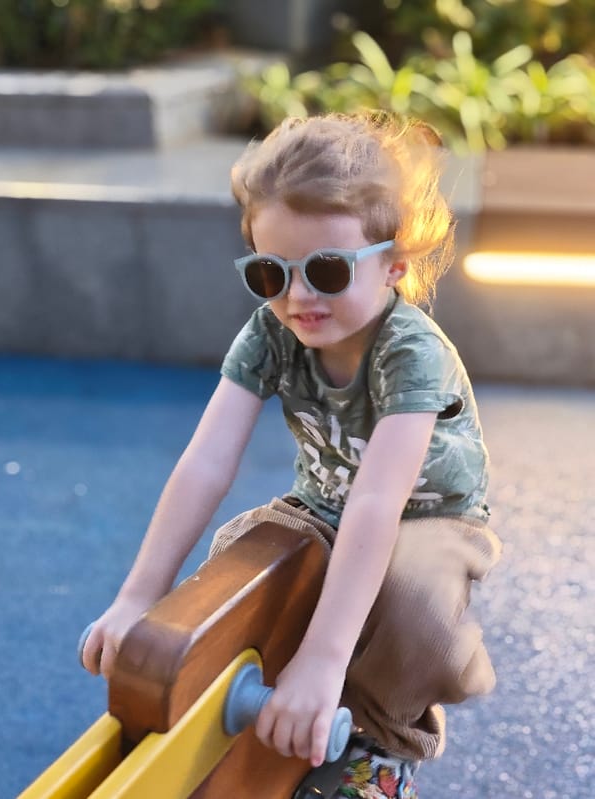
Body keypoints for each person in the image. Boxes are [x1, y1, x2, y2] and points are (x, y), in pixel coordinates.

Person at [82, 112, 502, 798]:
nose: (298, 295)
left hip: (428, 520)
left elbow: (377, 501)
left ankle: (381, 748)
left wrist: (326, 658)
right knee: (243, 546)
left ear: (393, 265)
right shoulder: (271, 332)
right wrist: (138, 594)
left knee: (415, 596)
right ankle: (272, 693)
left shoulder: (410, 351)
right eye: (270, 273)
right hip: (323, 502)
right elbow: (205, 462)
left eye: (328, 270)